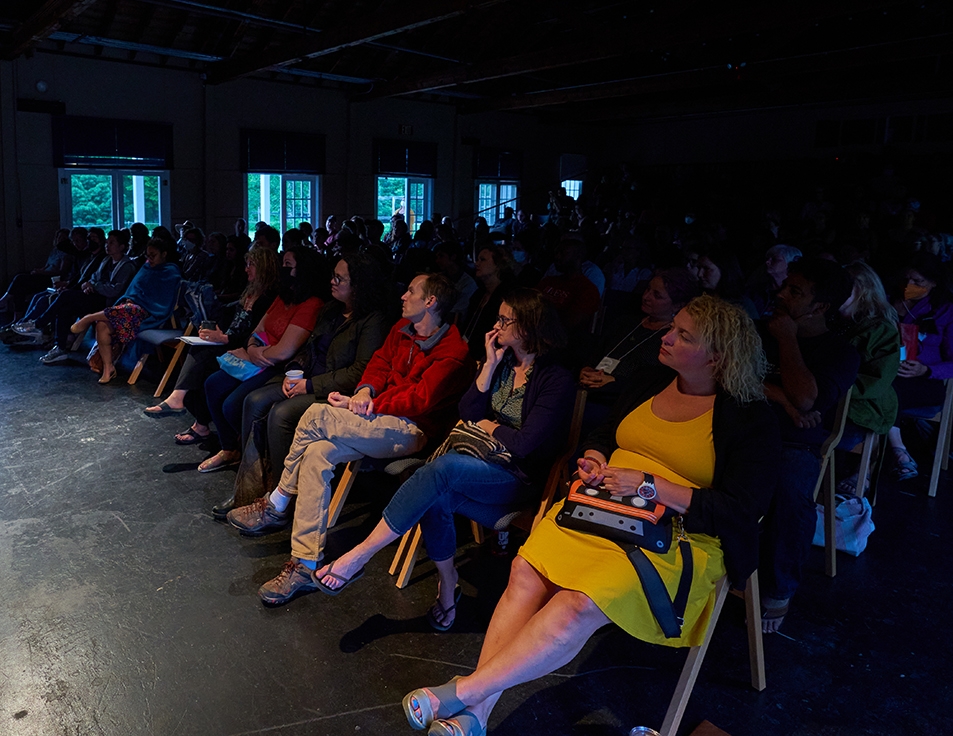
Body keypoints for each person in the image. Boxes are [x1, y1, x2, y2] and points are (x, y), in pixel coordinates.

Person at [400, 296, 780, 736]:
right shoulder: (652, 379)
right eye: (671, 327)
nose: (667, 336)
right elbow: (603, 432)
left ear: (716, 357)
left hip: (676, 537)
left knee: (577, 603)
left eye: (683, 335)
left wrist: (649, 485)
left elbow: (741, 511)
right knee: (524, 569)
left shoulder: (751, 419)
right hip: (602, 508)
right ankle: (476, 715)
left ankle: (463, 694)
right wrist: (595, 457)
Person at [313, 289, 573, 631]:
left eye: (504, 320)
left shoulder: (556, 378)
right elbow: (467, 412)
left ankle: (359, 555)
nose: (495, 325)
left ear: (526, 328)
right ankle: (448, 585)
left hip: (516, 477)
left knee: (442, 470)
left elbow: (524, 445)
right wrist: (490, 366)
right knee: (436, 491)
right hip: (480, 463)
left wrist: (489, 424)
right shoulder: (505, 363)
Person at [227, 273, 472, 606]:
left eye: (411, 291)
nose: (403, 296)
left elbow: (420, 400)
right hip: (376, 417)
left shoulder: (453, 350)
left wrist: (370, 403)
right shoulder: (402, 331)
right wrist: (365, 390)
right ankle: (306, 564)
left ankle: (278, 501)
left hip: (412, 429)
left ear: (430, 302)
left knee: (314, 414)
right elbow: (379, 364)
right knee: (316, 453)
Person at [210, 252, 397, 518]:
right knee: (253, 401)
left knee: (281, 414)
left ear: (358, 285)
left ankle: (281, 499)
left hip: (333, 390)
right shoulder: (332, 310)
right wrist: (293, 371)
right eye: (333, 275)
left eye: (339, 278)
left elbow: (358, 372)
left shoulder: (372, 320)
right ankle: (250, 487)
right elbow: (309, 349)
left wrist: (309, 385)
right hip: (308, 378)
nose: (331, 281)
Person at [757, 258, 859, 633]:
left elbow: (807, 400)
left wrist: (787, 338)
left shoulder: (840, 352)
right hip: (738, 426)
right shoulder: (758, 329)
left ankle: (778, 587)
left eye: (794, 292)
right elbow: (727, 373)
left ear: (821, 308)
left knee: (791, 494)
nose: (781, 294)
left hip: (792, 441)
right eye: (786, 286)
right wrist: (781, 398)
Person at [174, 247, 328, 467]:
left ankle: (253, 457)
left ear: (303, 270)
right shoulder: (283, 297)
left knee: (232, 404)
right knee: (213, 383)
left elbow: (285, 351)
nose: (282, 269)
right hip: (259, 357)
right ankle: (229, 448)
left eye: (287, 265)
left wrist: (253, 352)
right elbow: (257, 330)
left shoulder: (311, 303)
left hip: (278, 366)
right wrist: (253, 349)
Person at [143, 247, 278, 417]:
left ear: (264, 267)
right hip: (231, 339)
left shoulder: (268, 298)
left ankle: (184, 406)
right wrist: (215, 332)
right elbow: (232, 317)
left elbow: (254, 333)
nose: (246, 268)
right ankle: (185, 407)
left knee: (202, 358)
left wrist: (224, 337)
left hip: (243, 346)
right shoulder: (251, 291)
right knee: (197, 348)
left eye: (251, 264)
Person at [579, 268, 701, 409]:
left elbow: (656, 383)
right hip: (590, 390)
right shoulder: (624, 323)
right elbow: (595, 354)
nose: (646, 297)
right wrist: (587, 369)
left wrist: (615, 382)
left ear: (677, 305)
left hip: (624, 403)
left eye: (657, 295)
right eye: (647, 289)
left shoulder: (670, 340)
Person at [66, 238, 181, 384]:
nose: (149, 258)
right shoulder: (147, 268)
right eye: (148, 255)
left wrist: (140, 302)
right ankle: (109, 368)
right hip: (132, 311)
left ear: (164, 254)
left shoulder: (171, 271)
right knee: (103, 324)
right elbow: (134, 288)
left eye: (153, 255)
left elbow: (163, 298)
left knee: (129, 310)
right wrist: (131, 298)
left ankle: (88, 318)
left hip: (150, 312)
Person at [5, 230, 137, 351]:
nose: (108, 245)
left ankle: (38, 324)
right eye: (107, 242)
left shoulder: (126, 266)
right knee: (64, 308)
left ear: (122, 247)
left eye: (112, 243)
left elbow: (114, 290)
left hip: (107, 302)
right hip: (94, 296)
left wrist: (94, 285)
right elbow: (93, 277)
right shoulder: (106, 260)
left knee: (66, 295)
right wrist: (88, 284)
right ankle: (60, 347)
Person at [887, 254, 953, 481]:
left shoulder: (948, 311)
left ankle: (869, 467)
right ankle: (895, 453)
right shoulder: (889, 302)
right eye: (907, 280)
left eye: (919, 282)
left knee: (884, 392)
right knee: (880, 388)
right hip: (889, 373)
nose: (910, 286)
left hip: (926, 381)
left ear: (934, 283)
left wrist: (925, 370)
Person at [836, 261, 900, 496]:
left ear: (862, 291)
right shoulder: (833, 322)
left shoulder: (881, 330)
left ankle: (864, 472)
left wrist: (830, 388)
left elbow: (876, 380)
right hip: (831, 401)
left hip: (862, 407)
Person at [0, 229, 77, 317]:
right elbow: (48, 265)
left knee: (20, 278)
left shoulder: (66, 254)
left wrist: (41, 272)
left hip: (50, 279)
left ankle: (2, 302)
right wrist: (38, 270)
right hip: (44, 274)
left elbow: (61, 272)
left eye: (63, 238)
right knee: (19, 287)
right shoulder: (55, 251)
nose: (59, 240)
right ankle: (17, 318)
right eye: (58, 237)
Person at [458, 243, 516, 361]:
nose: (477, 263)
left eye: (482, 260)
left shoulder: (508, 297)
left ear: (498, 265)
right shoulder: (479, 293)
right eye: (477, 259)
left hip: (492, 356)